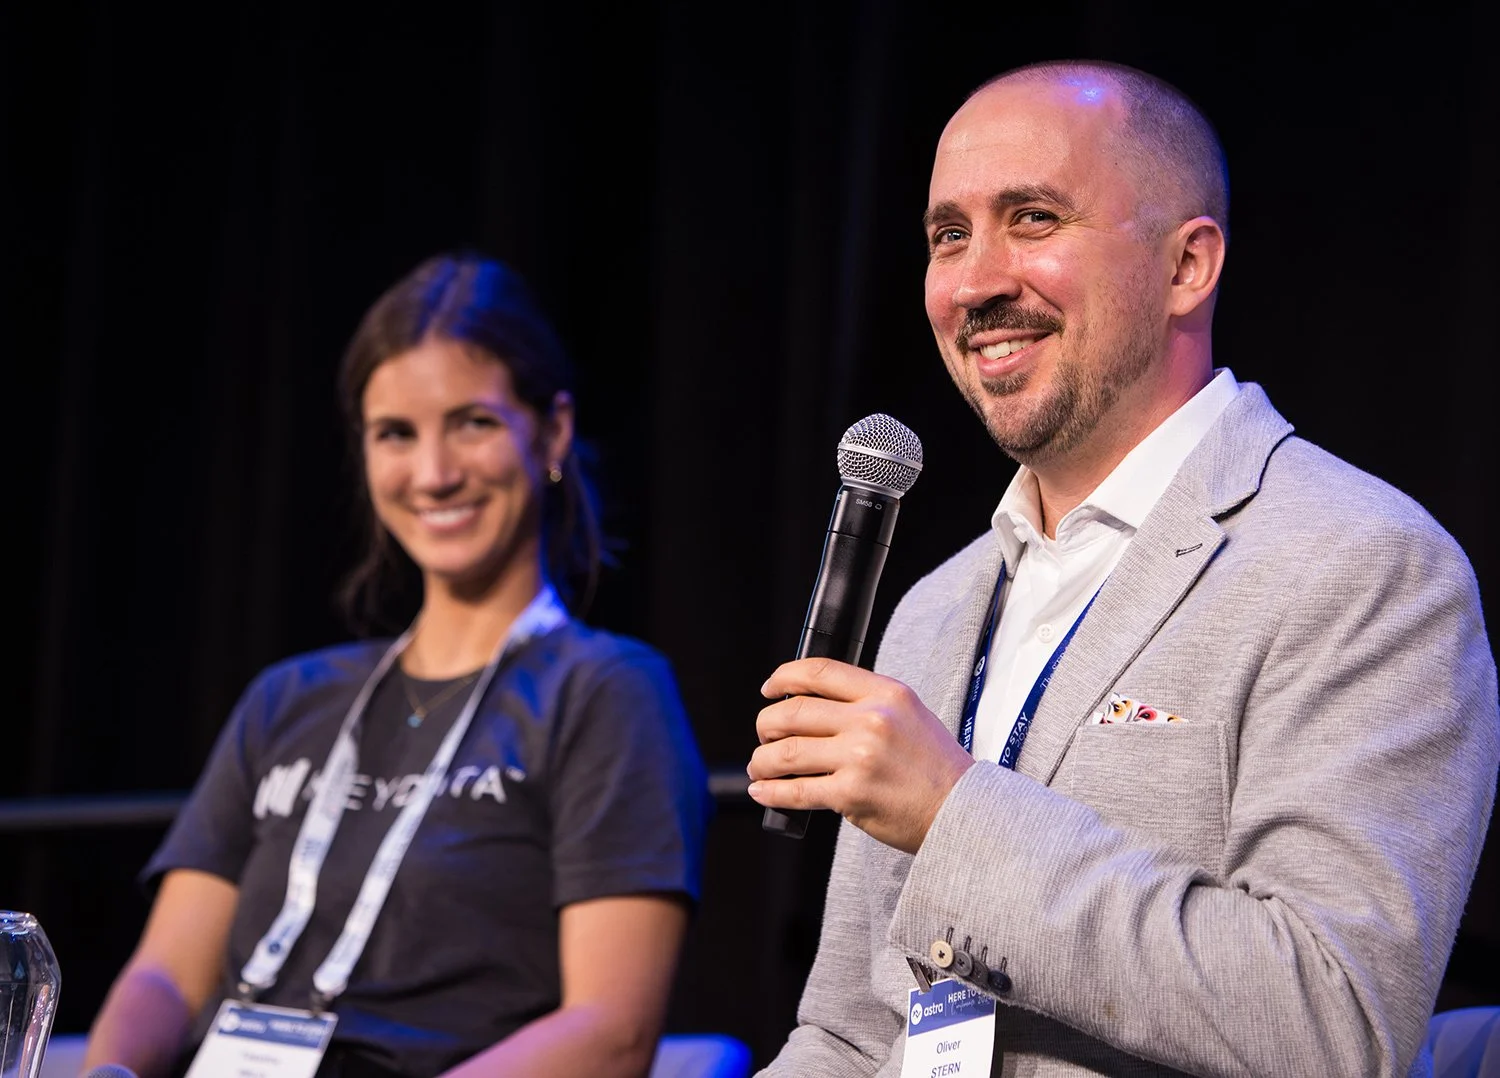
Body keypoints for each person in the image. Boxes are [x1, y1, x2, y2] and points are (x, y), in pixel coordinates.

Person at [746, 59, 1498, 1077]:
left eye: (1035, 218)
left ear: (1188, 266)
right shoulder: (933, 608)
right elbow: (849, 1030)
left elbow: (1334, 1021)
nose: (975, 281)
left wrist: (953, 810)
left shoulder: (1363, 566)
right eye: (948, 234)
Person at [82, 253, 713, 1078]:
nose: (434, 473)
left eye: (473, 423)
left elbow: (610, 1031)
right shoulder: (288, 699)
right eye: (396, 435)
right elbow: (165, 972)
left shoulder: (604, 691)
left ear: (551, 431)